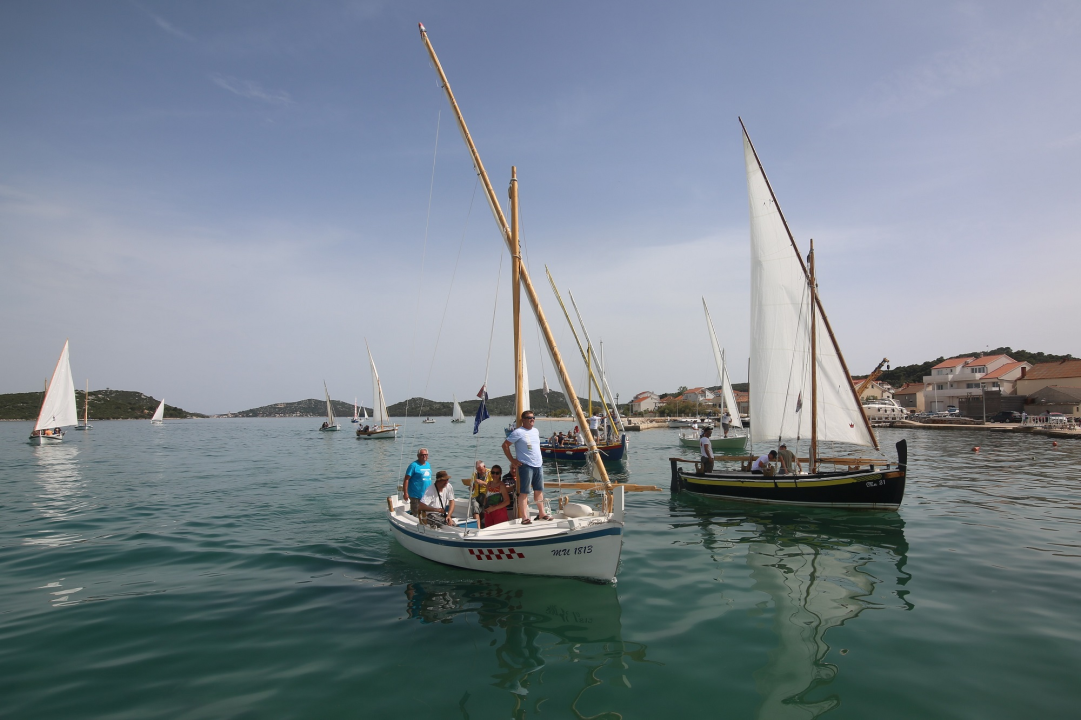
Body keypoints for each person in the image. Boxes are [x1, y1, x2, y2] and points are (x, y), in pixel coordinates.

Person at [502, 410, 551, 523]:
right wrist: (512, 460)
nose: (532, 419)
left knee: (539, 490)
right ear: (523, 420)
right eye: (529, 418)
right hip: (526, 465)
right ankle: (524, 517)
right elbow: (505, 445)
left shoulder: (536, 431)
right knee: (524, 491)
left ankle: (542, 513)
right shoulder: (518, 432)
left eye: (533, 417)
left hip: (538, 465)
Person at [402, 448, 432, 514]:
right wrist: (405, 493)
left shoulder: (428, 465)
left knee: (427, 514)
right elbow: (406, 479)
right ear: (418, 456)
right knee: (417, 514)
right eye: (422, 455)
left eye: (426, 455)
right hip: (416, 495)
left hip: (426, 495)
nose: (424, 456)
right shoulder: (413, 465)